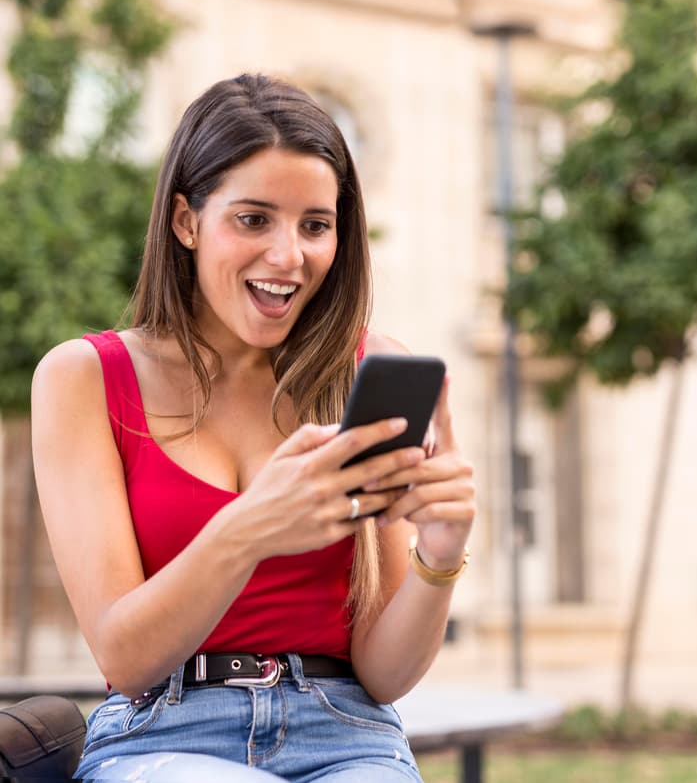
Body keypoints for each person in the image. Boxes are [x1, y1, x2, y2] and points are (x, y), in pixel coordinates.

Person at [31, 73, 476, 782]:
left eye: (315, 225)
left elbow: (385, 675)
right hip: (163, 734)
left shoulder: (369, 369)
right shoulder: (84, 378)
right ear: (186, 221)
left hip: (349, 735)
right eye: (253, 219)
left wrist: (441, 553)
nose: (288, 256)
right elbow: (125, 658)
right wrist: (251, 528)